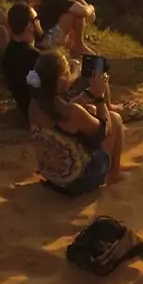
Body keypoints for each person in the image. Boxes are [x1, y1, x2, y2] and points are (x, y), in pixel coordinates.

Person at [28, 50, 125, 194]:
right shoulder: (72, 112)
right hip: (76, 183)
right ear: (61, 81)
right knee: (115, 119)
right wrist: (99, 98)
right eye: (68, 73)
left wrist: (85, 96)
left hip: (53, 176)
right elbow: (104, 131)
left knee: (89, 110)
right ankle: (113, 175)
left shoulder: (35, 105)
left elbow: (60, 115)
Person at [2, 3, 42, 115]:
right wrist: (75, 71)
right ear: (30, 26)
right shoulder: (35, 57)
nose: (39, 22)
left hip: (23, 107)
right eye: (36, 19)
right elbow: (61, 85)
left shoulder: (8, 51)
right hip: (41, 112)